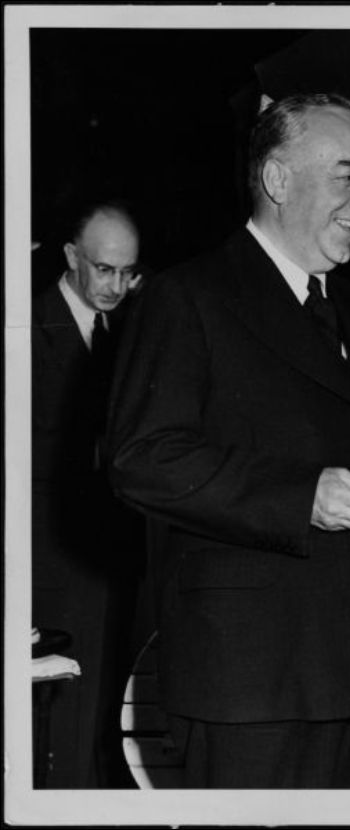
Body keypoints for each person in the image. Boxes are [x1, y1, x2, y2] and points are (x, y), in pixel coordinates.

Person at [107, 93, 350, 788]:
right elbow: (143, 459)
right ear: (278, 179)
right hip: (254, 678)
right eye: (348, 176)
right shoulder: (188, 296)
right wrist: (299, 497)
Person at [32, 199, 146, 787]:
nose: (116, 287)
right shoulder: (26, 324)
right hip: (48, 560)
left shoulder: (127, 329)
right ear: (72, 256)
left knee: (103, 717)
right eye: (104, 270)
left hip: (112, 559)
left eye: (128, 273)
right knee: (59, 721)